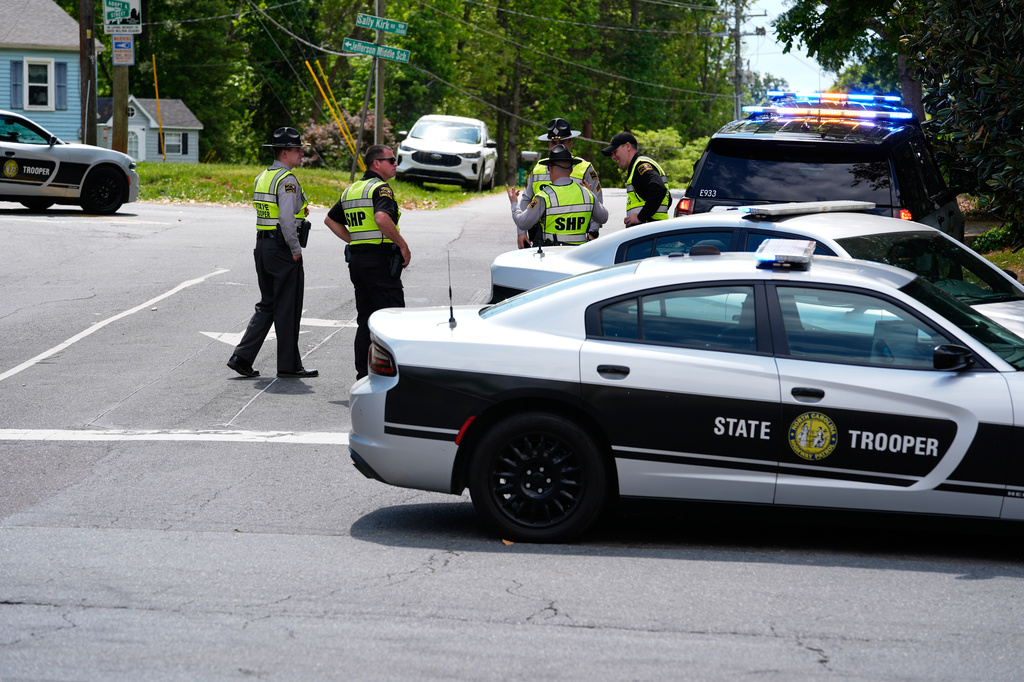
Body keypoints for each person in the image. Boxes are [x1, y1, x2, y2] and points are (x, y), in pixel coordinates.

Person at [228, 127, 317, 379]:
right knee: (288, 307)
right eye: (298, 149)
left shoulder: (263, 176)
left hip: (263, 246)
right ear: (286, 152)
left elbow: (272, 210)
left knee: (267, 304)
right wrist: (295, 249)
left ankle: (241, 357)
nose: (301, 153)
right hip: (281, 248)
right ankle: (288, 365)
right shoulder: (287, 179)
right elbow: (287, 220)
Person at [324, 144, 411, 380]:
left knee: (366, 320)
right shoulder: (381, 189)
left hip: (358, 261)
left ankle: (363, 375)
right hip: (379, 261)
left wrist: (355, 240)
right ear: (377, 164)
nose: (395, 164)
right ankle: (391, 375)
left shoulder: (351, 190)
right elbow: (381, 217)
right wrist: (402, 244)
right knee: (390, 318)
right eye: (391, 160)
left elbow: (330, 220)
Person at [516, 118, 603, 249]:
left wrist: (593, 233)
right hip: (540, 236)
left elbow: (597, 202)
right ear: (548, 145)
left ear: (570, 144)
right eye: (553, 143)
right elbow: (526, 200)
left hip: (576, 237)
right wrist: (521, 232)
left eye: (562, 142)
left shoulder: (585, 168)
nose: (557, 145)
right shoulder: (538, 168)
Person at [507, 144, 608, 246]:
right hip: (578, 255)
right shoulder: (587, 194)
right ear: (571, 170)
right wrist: (590, 194)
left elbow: (523, 223)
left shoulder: (543, 197)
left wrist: (514, 204)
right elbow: (603, 218)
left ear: (550, 169)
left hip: (552, 255)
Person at [602, 131, 669, 226]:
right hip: (652, 230)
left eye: (615, 152)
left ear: (628, 146)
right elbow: (667, 198)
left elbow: (658, 188)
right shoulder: (638, 166)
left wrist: (640, 217)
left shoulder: (641, 166)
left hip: (648, 231)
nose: (613, 157)